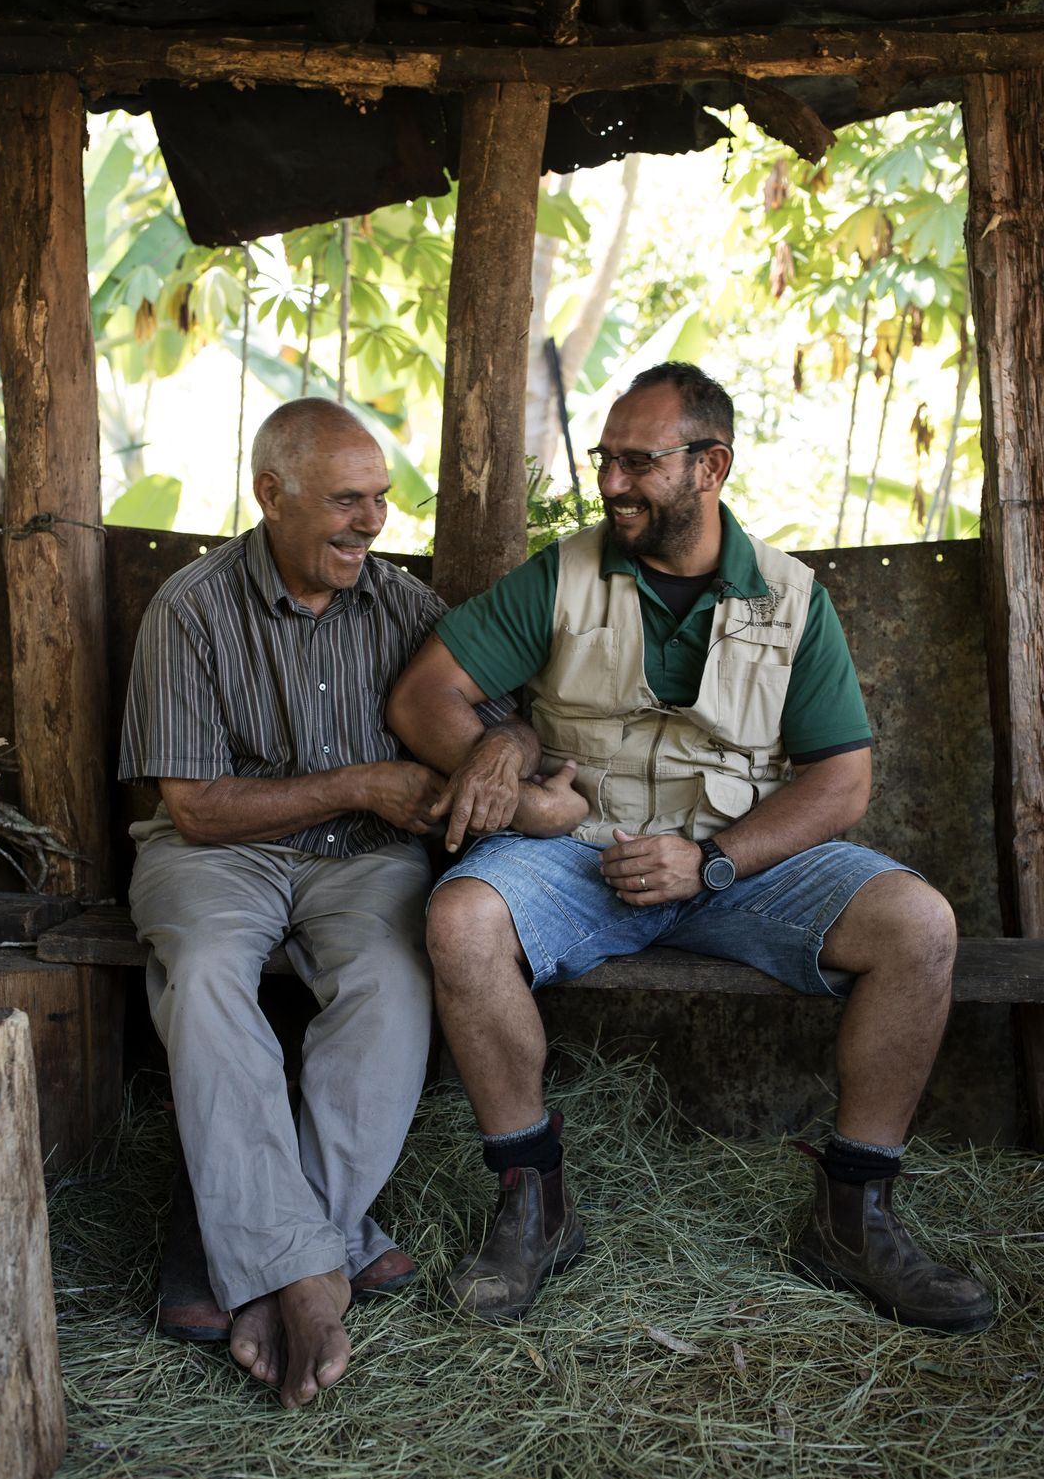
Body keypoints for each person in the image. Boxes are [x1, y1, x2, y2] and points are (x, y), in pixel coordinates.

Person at [387, 362, 994, 1336]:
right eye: (605, 460)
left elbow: (840, 782)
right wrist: (513, 782)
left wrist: (713, 861)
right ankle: (534, 1204)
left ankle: (852, 1215)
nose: (613, 483)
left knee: (918, 925)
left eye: (639, 462)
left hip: (741, 863)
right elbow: (423, 694)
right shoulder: (563, 575)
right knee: (460, 918)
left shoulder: (791, 599)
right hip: (580, 849)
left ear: (709, 467)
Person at [118, 397, 537, 1408]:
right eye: (346, 501)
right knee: (209, 976)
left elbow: (513, 730)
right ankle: (320, 1266)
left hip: (362, 863)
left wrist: (503, 747)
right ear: (271, 495)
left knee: (395, 980)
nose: (370, 523)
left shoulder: (404, 608)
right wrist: (357, 781)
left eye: (380, 500)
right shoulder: (191, 607)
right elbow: (196, 807)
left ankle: (251, 1256)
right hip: (220, 853)